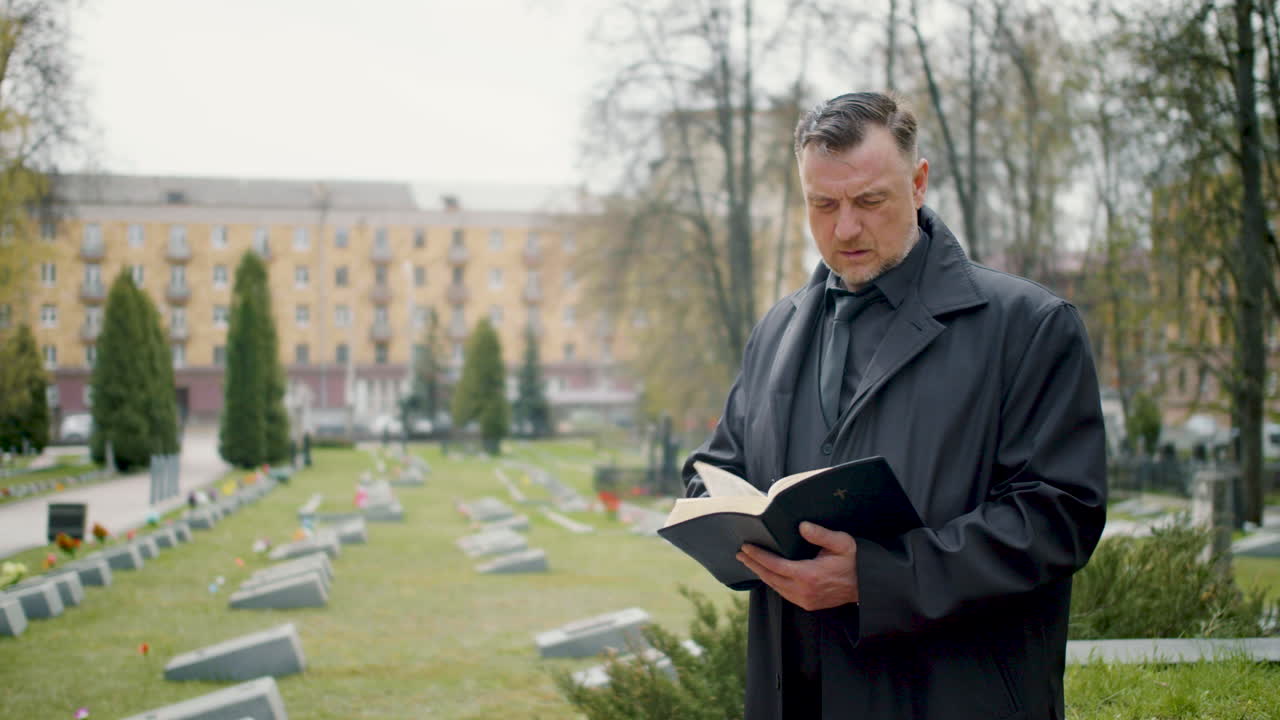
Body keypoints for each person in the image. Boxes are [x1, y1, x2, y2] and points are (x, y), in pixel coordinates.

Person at [681, 91, 1107, 720]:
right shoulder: (775, 329)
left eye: (869, 201)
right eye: (822, 205)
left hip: (952, 695)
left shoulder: (1030, 325)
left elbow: (1060, 516)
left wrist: (877, 578)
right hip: (796, 692)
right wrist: (711, 513)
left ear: (919, 182)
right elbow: (718, 470)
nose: (845, 227)